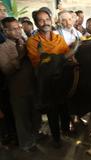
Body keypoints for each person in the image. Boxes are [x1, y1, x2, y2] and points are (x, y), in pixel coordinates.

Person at [26, 8, 70, 148]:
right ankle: (56, 138)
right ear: (37, 23)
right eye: (41, 20)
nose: (45, 23)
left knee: (64, 106)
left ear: (51, 21)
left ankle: (66, 130)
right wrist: (58, 59)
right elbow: (37, 63)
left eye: (47, 19)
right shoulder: (32, 42)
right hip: (46, 82)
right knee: (52, 110)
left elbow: (67, 55)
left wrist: (67, 58)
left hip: (62, 79)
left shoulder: (59, 38)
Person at [0, 17, 41, 152]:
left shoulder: (27, 42)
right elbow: (6, 70)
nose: (18, 31)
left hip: (32, 85)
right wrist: (20, 56)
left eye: (19, 27)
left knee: (35, 114)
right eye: (14, 29)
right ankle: (27, 143)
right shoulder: (3, 48)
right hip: (18, 89)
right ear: (5, 31)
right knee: (22, 117)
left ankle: (36, 135)